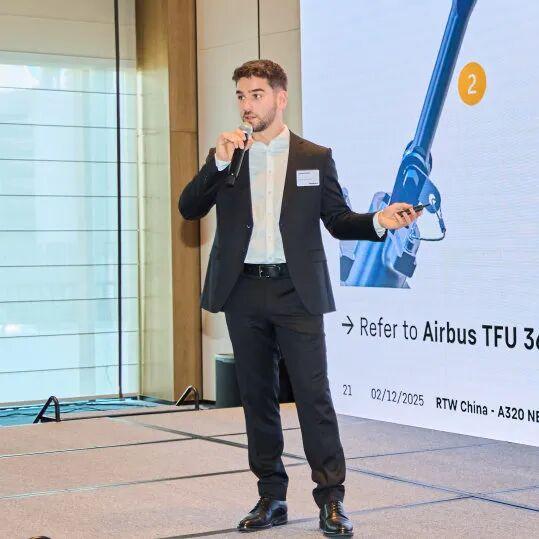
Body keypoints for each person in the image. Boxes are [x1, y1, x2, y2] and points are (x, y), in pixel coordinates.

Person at [179, 59, 421, 537]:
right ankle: (271, 496)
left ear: (280, 98)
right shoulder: (228, 156)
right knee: (257, 398)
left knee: (313, 397)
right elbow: (189, 208)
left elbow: (337, 220)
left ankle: (331, 499)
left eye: (256, 95)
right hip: (242, 290)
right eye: (241, 96)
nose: (247, 105)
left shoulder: (314, 156)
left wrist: (378, 221)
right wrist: (218, 163)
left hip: (297, 291)